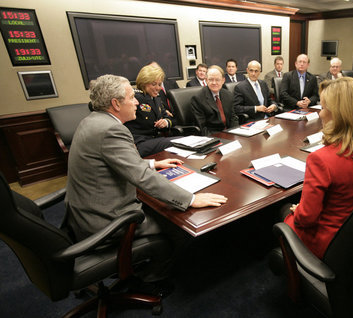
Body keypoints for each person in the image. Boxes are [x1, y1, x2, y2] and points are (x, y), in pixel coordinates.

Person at [65, 74, 227, 280]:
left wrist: (153, 163)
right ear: (116, 104)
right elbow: (142, 178)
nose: (137, 103)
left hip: (83, 211)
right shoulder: (111, 130)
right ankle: (152, 279)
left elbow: (116, 162)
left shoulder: (93, 121)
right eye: (132, 97)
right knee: (180, 224)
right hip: (104, 220)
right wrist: (191, 199)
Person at [282, 77, 353, 259]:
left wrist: (299, 209)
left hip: (324, 241)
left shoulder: (321, 159)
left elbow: (307, 219)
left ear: (338, 114)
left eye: (324, 108)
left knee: (285, 211)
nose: (320, 114)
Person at [124, 65, 176, 157]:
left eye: (159, 84)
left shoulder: (156, 98)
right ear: (144, 83)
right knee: (178, 142)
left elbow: (169, 118)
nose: (158, 88)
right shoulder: (135, 98)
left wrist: (165, 122)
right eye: (153, 84)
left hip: (154, 140)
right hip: (138, 142)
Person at [191, 65, 239, 135]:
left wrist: (236, 134)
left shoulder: (228, 94)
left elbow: (233, 118)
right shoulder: (198, 99)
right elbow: (202, 127)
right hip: (213, 135)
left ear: (223, 80)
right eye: (211, 79)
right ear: (206, 80)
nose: (214, 83)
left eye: (217, 80)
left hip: (228, 133)